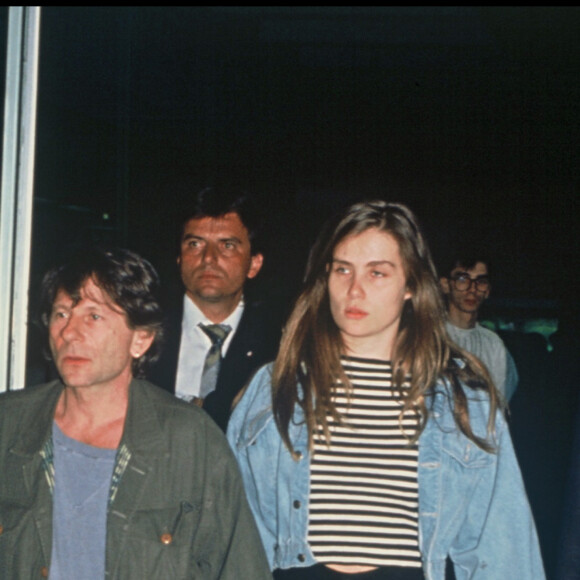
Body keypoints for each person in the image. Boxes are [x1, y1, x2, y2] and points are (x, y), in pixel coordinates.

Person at [227, 200, 544, 580]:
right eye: (342, 269)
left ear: (410, 284)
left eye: (377, 273)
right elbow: (231, 536)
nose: (354, 290)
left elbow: (503, 552)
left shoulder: (463, 402)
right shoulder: (274, 388)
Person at [0, 246, 272, 579]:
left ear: (140, 339)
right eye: (61, 314)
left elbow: (240, 569)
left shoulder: (189, 441)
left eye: (93, 316)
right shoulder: (9, 425)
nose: (69, 332)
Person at [149, 186, 287, 431]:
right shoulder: (144, 330)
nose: (209, 258)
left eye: (227, 246)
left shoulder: (279, 345)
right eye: (195, 244)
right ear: (179, 258)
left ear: (254, 264)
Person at [439, 253, 519, 402]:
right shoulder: (427, 336)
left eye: (480, 282)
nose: (472, 289)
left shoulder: (493, 344)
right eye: (462, 279)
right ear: (445, 285)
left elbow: (498, 404)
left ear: (487, 290)